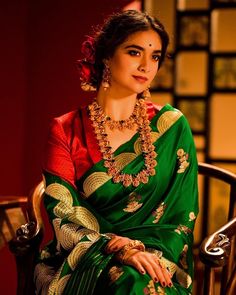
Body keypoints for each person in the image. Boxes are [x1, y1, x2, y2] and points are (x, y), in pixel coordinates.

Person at [34, 9, 199, 295]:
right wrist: (121, 250)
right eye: (135, 52)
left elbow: (181, 218)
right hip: (86, 259)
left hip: (158, 259)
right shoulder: (66, 129)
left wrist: (146, 256)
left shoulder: (172, 126)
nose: (147, 65)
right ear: (107, 55)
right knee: (127, 279)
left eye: (156, 56)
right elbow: (62, 213)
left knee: (141, 279)